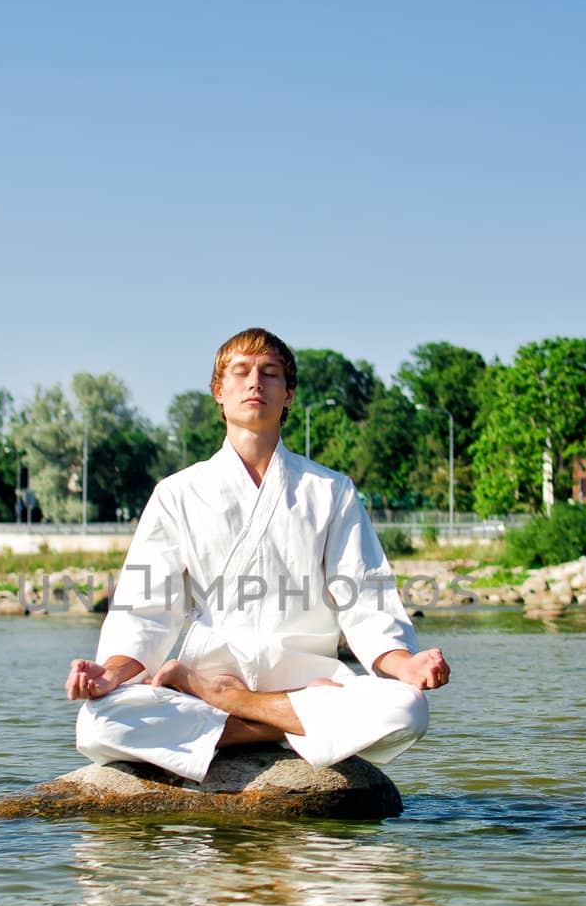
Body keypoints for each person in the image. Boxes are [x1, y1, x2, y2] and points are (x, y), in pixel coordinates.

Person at [66, 329, 450, 782]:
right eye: (240, 372)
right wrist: (110, 675)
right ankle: (286, 726)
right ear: (218, 391)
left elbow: (364, 599)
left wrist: (405, 663)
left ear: (288, 395)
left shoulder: (329, 491)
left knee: (406, 708)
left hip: (302, 679)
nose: (255, 384)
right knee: (98, 724)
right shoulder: (178, 494)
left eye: (270, 374)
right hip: (246, 685)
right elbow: (146, 611)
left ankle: (240, 710)